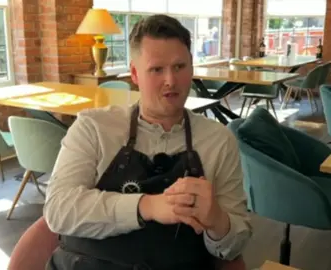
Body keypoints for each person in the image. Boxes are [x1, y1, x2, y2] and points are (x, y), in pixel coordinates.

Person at [43, 14, 252, 270]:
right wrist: (148, 206)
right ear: (134, 74)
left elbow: (234, 246)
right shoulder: (93, 128)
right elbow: (59, 210)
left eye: (179, 66)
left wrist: (218, 220)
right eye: (156, 69)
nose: (171, 81)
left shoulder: (219, 141)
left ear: (192, 67)